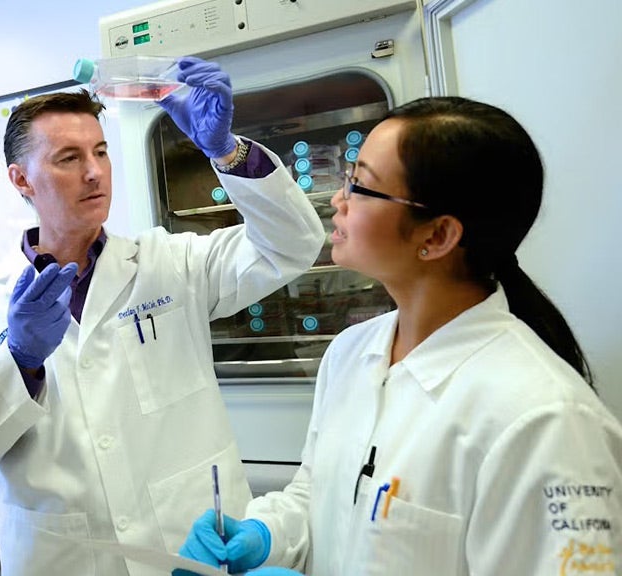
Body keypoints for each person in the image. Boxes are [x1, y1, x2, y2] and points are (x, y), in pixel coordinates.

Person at [174, 96, 622, 576]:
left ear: (437, 236)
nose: (339, 199)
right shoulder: (352, 352)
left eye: (362, 186)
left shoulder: (544, 419)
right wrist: (266, 534)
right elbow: (320, 495)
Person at [0, 56, 325, 576]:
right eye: (68, 158)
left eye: (100, 152)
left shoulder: (171, 263)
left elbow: (293, 244)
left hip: (191, 550)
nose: (94, 172)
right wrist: (19, 362)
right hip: (67, 561)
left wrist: (227, 151)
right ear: (21, 179)